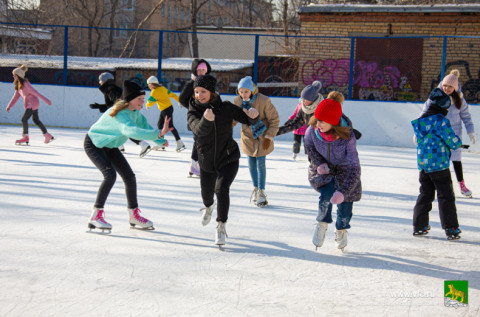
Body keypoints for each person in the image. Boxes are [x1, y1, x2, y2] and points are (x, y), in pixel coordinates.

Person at [84, 80, 173, 232]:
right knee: (109, 175)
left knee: (129, 177)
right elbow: (130, 131)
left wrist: (160, 139)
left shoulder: (135, 113)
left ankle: (133, 215)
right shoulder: (120, 114)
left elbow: (145, 127)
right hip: (94, 143)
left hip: (110, 146)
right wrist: (158, 133)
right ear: (130, 99)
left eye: (143, 99)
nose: (142, 102)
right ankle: (95, 216)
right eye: (139, 99)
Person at [187, 74, 259, 246]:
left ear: (212, 92)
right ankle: (208, 207)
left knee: (221, 188)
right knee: (207, 195)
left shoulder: (226, 108)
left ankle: (221, 225)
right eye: (196, 92)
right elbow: (197, 129)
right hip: (206, 161)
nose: (199, 95)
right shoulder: (193, 112)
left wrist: (253, 116)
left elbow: (246, 119)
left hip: (228, 158)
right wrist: (206, 120)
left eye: (203, 91)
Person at [304, 93, 362, 251]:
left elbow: (354, 168)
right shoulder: (312, 130)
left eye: (322, 121)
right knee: (327, 194)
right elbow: (309, 148)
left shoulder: (348, 137)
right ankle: (322, 223)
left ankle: (341, 229)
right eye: (317, 119)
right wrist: (319, 163)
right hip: (324, 168)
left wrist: (343, 192)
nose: (318, 124)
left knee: (345, 203)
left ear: (334, 122)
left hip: (344, 169)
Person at [412, 88, 462, 240]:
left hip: (424, 165)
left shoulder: (421, 122)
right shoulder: (441, 122)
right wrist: (458, 142)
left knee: (425, 194)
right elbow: (452, 141)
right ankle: (451, 228)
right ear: (441, 107)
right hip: (439, 165)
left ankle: (419, 226)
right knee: (446, 196)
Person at [421, 69, 476, 198]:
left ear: (455, 88)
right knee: (439, 159)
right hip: (438, 134)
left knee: (456, 160)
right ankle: (436, 186)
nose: (446, 88)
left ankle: (462, 185)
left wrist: (471, 131)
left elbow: (466, 117)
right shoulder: (435, 97)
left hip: (454, 134)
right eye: (445, 85)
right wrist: (420, 131)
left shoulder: (460, 100)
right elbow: (424, 114)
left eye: (450, 87)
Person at [233, 76, 280, 207]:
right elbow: (232, 119)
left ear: (252, 90)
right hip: (248, 137)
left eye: (246, 91)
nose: (243, 94)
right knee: (251, 163)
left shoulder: (264, 101)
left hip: (262, 136)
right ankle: (255, 188)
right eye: (241, 92)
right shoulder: (237, 102)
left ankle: (261, 191)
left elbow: (274, 120)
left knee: (261, 163)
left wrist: (269, 137)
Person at [89, 72, 152, 158]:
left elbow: (116, 103)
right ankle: (121, 146)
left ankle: (142, 144)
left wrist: (118, 113)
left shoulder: (110, 90)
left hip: (122, 112)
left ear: (105, 81)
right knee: (122, 130)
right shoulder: (112, 88)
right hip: (122, 111)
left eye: (100, 80)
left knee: (126, 129)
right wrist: (99, 106)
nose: (99, 82)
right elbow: (112, 105)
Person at [6, 64, 54, 145]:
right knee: (36, 120)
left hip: (32, 104)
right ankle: (47, 135)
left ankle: (25, 137)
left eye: (15, 75)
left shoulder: (26, 84)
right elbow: (15, 97)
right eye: (13, 75)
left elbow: (36, 92)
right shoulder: (18, 85)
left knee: (24, 119)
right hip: (32, 104)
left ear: (19, 76)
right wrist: (9, 106)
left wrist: (46, 100)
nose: (13, 76)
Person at [179, 59, 212, 177]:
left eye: (204, 69)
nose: (202, 72)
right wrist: (193, 107)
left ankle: (196, 165)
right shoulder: (191, 83)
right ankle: (194, 165)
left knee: (202, 140)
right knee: (199, 140)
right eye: (199, 70)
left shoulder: (208, 82)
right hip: (195, 118)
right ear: (195, 71)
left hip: (207, 116)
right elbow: (182, 99)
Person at [146, 75, 185, 152]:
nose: (148, 86)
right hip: (167, 108)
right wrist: (179, 100)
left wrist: (147, 105)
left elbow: (150, 102)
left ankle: (179, 142)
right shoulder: (163, 88)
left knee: (170, 126)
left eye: (148, 84)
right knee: (160, 124)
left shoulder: (154, 91)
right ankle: (162, 143)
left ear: (152, 84)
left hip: (166, 110)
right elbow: (173, 95)